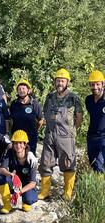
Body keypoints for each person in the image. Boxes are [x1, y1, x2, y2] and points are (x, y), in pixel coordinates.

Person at [38, 69, 83, 200]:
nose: (60, 83)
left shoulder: (73, 98)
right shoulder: (50, 97)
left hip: (65, 136)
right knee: (45, 163)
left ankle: (67, 193)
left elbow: (79, 117)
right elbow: (45, 113)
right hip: (50, 134)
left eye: (62, 81)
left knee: (68, 163)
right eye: (58, 81)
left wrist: (71, 132)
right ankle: (45, 191)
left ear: (67, 82)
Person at [0, 130, 38, 213]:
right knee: (1, 178)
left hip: (26, 185)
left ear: (25, 144)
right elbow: (2, 170)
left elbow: (33, 182)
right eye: (16, 143)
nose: (18, 145)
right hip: (14, 183)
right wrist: (12, 175)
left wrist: (19, 192)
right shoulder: (10, 153)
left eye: (20, 143)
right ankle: (7, 204)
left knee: (28, 199)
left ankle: (25, 200)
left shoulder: (31, 159)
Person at [10, 79, 44, 155]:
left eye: (23, 88)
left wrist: (34, 130)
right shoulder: (14, 104)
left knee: (30, 159)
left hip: (30, 137)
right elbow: (10, 119)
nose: (21, 90)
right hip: (17, 138)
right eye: (19, 89)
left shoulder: (34, 104)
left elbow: (41, 120)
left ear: (28, 90)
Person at [85, 70, 105, 174]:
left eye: (97, 84)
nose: (95, 87)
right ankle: (100, 186)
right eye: (92, 85)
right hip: (91, 137)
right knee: (95, 165)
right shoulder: (88, 100)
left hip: (104, 137)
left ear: (103, 84)